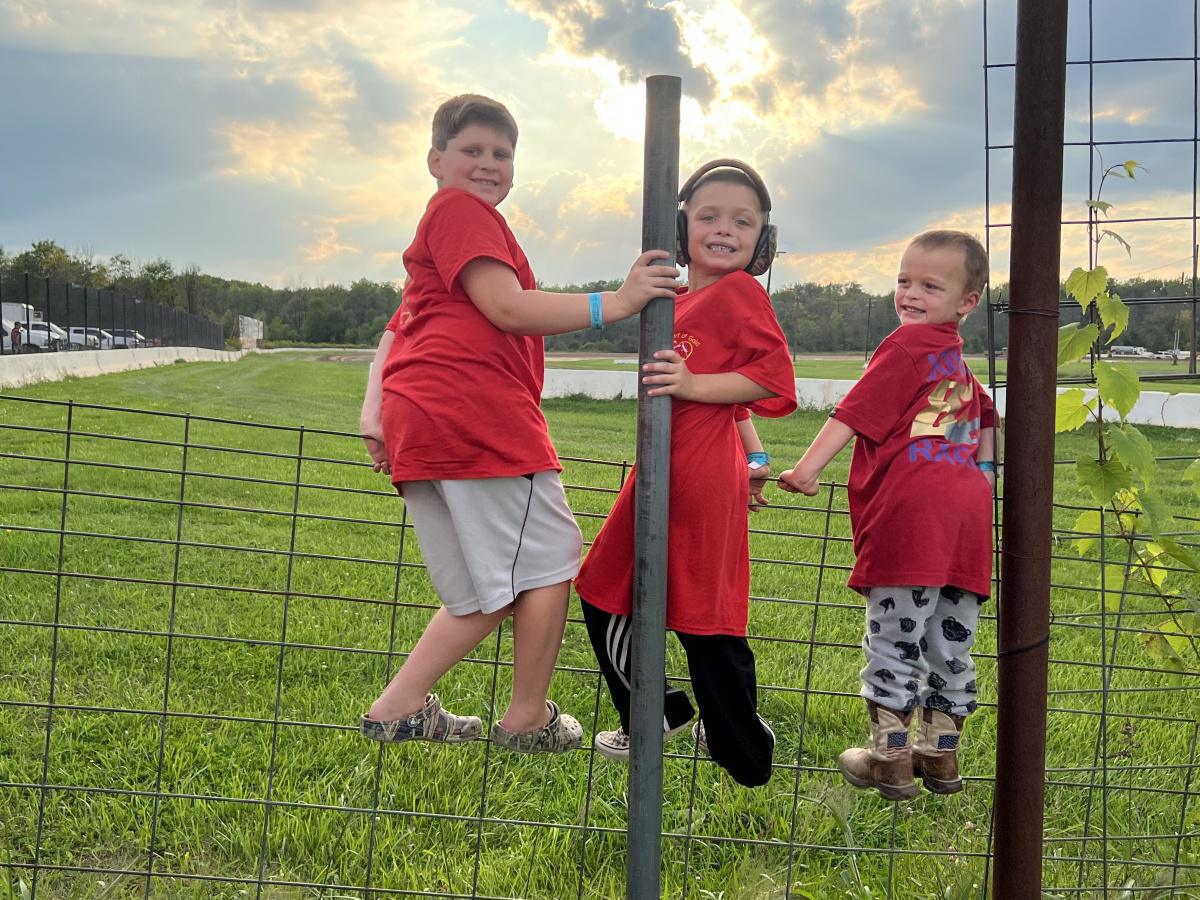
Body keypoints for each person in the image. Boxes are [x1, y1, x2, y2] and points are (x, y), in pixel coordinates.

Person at [358, 93, 679, 753]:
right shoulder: (461, 213)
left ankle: (397, 710)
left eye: (501, 154)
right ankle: (528, 718)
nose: (488, 163)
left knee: (485, 591)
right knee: (552, 559)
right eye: (471, 150)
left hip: (423, 417)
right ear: (435, 160)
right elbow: (507, 306)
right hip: (477, 415)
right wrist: (616, 303)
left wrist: (376, 412)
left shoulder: (441, 226)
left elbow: (401, 327)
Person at [574, 159, 797, 787]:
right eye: (709, 216)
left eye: (742, 222)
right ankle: (739, 743)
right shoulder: (684, 298)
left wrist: (694, 384)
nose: (724, 229)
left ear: (762, 240)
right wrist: (752, 455)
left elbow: (775, 380)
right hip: (679, 466)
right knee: (700, 607)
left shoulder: (739, 292)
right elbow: (738, 393)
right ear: (682, 227)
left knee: (608, 588)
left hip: (691, 473)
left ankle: (667, 715)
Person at [779, 230, 999, 800]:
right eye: (904, 281)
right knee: (950, 641)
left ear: (967, 301)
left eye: (930, 286)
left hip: (913, 518)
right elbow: (988, 419)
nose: (911, 294)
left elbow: (854, 412)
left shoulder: (905, 347)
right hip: (966, 523)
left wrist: (806, 469)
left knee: (896, 638)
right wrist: (984, 477)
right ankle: (941, 755)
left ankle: (891, 758)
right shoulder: (958, 365)